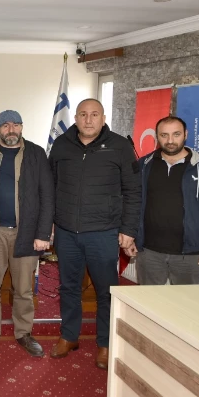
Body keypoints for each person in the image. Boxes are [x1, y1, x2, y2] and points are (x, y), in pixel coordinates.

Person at [48, 98, 140, 370]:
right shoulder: (61, 145)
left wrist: (128, 229)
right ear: (75, 118)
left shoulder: (121, 147)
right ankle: (69, 336)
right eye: (83, 115)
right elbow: (51, 186)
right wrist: (50, 224)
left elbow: (133, 192)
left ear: (103, 118)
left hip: (103, 233)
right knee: (68, 287)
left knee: (106, 291)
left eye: (94, 115)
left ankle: (105, 342)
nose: (88, 120)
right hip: (66, 232)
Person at [0, 110, 54, 358]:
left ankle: (24, 333)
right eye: (6, 126)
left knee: (23, 289)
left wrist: (43, 233)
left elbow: (47, 195)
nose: (11, 130)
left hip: (26, 233)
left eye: (16, 125)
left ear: (22, 127)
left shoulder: (36, 153)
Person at [125, 116, 199, 284]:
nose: (170, 140)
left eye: (176, 134)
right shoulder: (144, 165)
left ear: (186, 134)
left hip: (190, 255)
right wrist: (130, 235)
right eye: (164, 135)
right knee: (149, 304)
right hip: (149, 252)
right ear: (157, 136)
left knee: (185, 307)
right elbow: (132, 202)